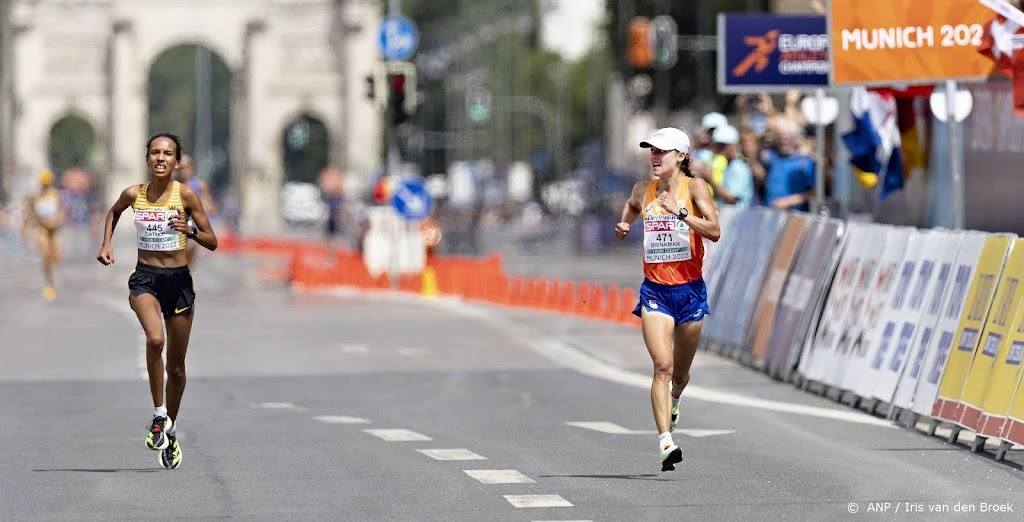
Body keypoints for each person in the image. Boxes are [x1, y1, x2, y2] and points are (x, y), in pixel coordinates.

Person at [96, 132, 218, 469]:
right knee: (154, 339)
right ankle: (158, 415)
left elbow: (212, 240)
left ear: (176, 162)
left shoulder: (187, 195)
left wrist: (189, 229)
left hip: (178, 282)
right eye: (154, 153)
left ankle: (172, 429)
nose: (161, 158)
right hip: (145, 278)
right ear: (147, 159)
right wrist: (106, 243)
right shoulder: (134, 193)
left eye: (167, 153)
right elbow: (113, 212)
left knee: (177, 368)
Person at [614, 127, 721, 472]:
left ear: (681, 157)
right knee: (662, 366)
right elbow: (632, 207)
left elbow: (714, 231)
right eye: (651, 151)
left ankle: (674, 401)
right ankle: (665, 442)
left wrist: (679, 213)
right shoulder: (642, 190)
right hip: (655, 292)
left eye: (662, 151)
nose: (654, 157)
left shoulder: (696, 188)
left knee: (681, 375)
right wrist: (625, 224)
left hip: (689, 293)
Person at [23, 170, 64, 300]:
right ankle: (49, 282)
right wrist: (26, 229)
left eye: (47, 184)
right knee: (46, 254)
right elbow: (29, 213)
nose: (45, 186)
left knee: (56, 256)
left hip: (55, 229)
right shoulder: (36, 197)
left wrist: (60, 219)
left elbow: (62, 210)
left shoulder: (56, 195)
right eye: (43, 184)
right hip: (42, 228)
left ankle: (52, 275)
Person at [172, 154, 217, 268]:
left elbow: (213, 208)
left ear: (191, 168)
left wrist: (202, 207)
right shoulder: (170, 185)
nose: (182, 171)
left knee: (189, 259)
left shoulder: (199, 185)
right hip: (174, 228)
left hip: (192, 228)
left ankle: (187, 280)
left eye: (184, 167)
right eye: (179, 168)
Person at [710, 125, 755, 209]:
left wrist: (710, 179)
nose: (721, 148)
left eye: (724, 145)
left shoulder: (738, 168)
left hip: (737, 218)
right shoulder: (729, 165)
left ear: (734, 144)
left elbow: (731, 199)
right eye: (719, 145)